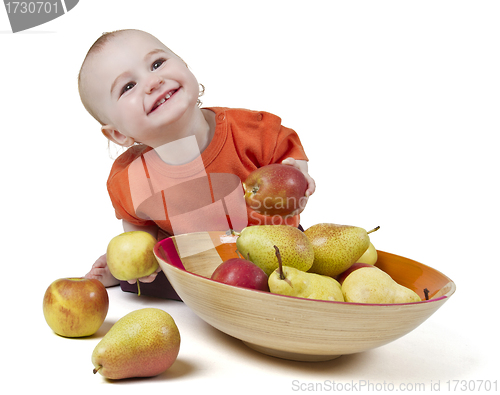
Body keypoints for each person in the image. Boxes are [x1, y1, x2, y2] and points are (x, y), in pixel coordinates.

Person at [78, 29, 315, 296]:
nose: (153, 82)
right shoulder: (130, 177)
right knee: (149, 277)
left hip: (274, 248)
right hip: (198, 258)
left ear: (186, 68)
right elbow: (139, 232)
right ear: (118, 133)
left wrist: (298, 175)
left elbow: (287, 155)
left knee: (301, 269)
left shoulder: (250, 130)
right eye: (128, 87)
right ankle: (121, 275)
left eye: (157, 64)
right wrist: (137, 261)